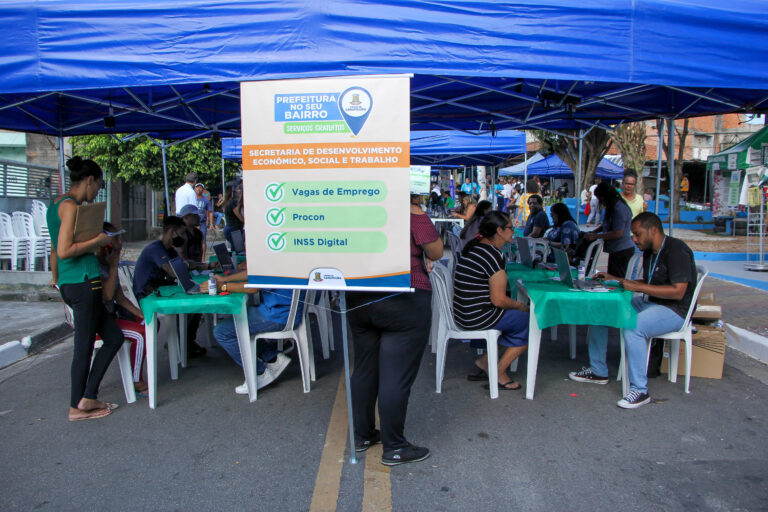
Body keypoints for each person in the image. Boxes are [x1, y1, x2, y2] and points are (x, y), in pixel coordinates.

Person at [348, 194, 443, 466]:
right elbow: (435, 251)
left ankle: (363, 435)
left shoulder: (353, 206)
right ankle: (395, 447)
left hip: (359, 293)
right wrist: (417, 210)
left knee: (365, 368)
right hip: (404, 297)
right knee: (395, 375)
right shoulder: (410, 211)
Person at [569, 212, 697, 409]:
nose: (634, 239)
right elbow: (650, 283)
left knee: (633, 327)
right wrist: (617, 279)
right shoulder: (650, 251)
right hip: (653, 302)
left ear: (653, 230)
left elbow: (678, 292)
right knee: (602, 310)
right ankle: (598, 371)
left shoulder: (676, 250)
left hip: (675, 310)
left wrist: (638, 288)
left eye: (637, 234)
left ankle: (640, 390)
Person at [47, 156, 122, 421]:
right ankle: (76, 407)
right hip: (82, 282)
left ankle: (88, 397)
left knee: (114, 337)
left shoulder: (55, 204)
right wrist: (98, 241)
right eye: (98, 186)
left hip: (72, 282)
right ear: (89, 180)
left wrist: (57, 279)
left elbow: (55, 250)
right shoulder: (69, 207)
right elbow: (66, 250)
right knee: (84, 347)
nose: (96, 193)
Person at [454, 211, 530, 391]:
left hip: (464, 312)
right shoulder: (494, 256)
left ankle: (485, 361)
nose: (514, 231)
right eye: (511, 228)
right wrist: (520, 305)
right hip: (477, 315)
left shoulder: (477, 248)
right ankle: (499, 372)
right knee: (530, 322)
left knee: (517, 321)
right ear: (499, 230)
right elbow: (498, 300)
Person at [205, 269, 296, 394]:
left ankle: (259, 373)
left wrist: (223, 286)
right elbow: (253, 271)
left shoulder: (268, 253)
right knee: (234, 325)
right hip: (283, 309)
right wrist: (225, 279)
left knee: (222, 332)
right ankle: (272, 357)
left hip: (277, 315)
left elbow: (252, 288)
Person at [133, 215, 213, 357]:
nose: (184, 237)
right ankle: (176, 342)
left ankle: (186, 342)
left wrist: (208, 265)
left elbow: (184, 264)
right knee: (190, 304)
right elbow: (173, 270)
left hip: (162, 288)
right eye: (182, 233)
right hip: (148, 293)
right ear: (172, 232)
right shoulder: (155, 249)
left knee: (196, 304)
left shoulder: (169, 250)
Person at [98, 222, 147, 396]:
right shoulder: (100, 264)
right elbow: (109, 295)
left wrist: (143, 315)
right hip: (100, 321)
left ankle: (135, 369)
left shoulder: (108, 261)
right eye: (116, 237)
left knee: (148, 322)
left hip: (112, 315)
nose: (120, 241)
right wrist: (113, 265)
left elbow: (120, 298)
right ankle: (136, 380)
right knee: (142, 333)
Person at [583, 182, 635, 277]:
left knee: (616, 279)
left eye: (600, 199)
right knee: (611, 277)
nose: (600, 202)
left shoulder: (619, 209)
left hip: (622, 251)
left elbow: (617, 233)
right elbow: (607, 225)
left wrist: (597, 236)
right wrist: (594, 232)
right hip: (615, 250)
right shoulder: (612, 207)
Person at [224, 182, 244, 251]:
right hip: (234, 229)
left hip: (230, 228)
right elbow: (240, 217)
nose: (239, 191)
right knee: (237, 250)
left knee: (235, 250)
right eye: (238, 189)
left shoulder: (227, 202)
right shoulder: (233, 203)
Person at [194, 183, 212, 255]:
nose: (199, 189)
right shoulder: (192, 199)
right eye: (197, 187)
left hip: (202, 223)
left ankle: (203, 258)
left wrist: (211, 223)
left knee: (203, 241)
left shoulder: (206, 200)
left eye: (200, 187)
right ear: (194, 189)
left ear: (203, 190)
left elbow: (210, 212)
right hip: (194, 224)